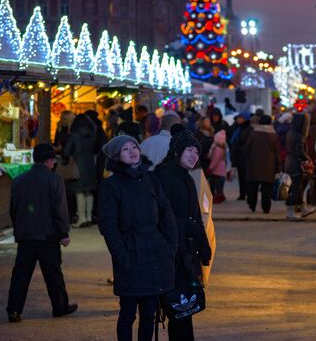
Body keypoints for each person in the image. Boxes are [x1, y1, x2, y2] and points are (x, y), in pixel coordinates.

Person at [97, 135, 178, 341]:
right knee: (128, 313)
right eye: (125, 149)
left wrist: (170, 246)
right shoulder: (111, 185)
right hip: (130, 253)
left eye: (134, 146)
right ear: (116, 156)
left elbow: (165, 211)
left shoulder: (151, 179)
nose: (132, 151)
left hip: (155, 251)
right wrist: (121, 255)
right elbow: (108, 225)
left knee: (149, 313)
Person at [6, 144, 77, 323]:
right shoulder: (55, 180)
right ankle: (60, 306)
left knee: (21, 274)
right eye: (53, 160)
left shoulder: (19, 180)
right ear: (49, 161)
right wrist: (64, 233)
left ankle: (14, 309)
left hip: (26, 236)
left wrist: (19, 228)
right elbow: (60, 209)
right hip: (48, 235)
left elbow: (13, 209)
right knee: (53, 273)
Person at [155, 125, 212, 341]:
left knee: (186, 305)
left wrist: (203, 245)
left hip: (186, 252)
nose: (194, 156)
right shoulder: (163, 176)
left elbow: (195, 216)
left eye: (197, 152)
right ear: (177, 150)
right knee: (177, 306)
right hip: (170, 252)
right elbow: (161, 216)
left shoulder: (187, 177)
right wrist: (189, 229)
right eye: (190, 150)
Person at [64, 114, 98, 228]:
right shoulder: (93, 134)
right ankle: (88, 217)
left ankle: (81, 218)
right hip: (90, 164)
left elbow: (66, 152)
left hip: (78, 166)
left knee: (79, 191)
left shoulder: (73, 135)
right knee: (89, 191)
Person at [244, 115, 281, 213]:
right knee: (267, 189)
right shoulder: (273, 135)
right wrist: (279, 166)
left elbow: (246, 148)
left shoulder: (253, 133)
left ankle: (252, 205)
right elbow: (277, 152)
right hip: (269, 166)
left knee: (253, 187)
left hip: (253, 165)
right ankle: (266, 207)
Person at [285, 113, 316, 219]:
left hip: (289, 162)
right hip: (296, 164)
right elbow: (300, 152)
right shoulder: (299, 136)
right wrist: (308, 159)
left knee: (297, 187)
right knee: (296, 188)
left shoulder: (290, 132)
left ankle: (302, 208)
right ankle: (291, 211)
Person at [53, 111, 77, 222]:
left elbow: (69, 147)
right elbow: (57, 143)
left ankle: (70, 214)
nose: (62, 120)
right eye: (61, 118)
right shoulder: (60, 129)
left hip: (69, 162)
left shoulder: (72, 132)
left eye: (64, 119)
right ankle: (66, 214)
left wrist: (61, 149)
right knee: (63, 189)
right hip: (61, 160)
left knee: (69, 189)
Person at [230, 111, 253, 200]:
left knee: (246, 176)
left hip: (245, 156)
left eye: (240, 118)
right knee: (241, 176)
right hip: (239, 156)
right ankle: (242, 194)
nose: (238, 120)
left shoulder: (248, 129)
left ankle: (247, 193)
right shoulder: (238, 128)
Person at [208, 129, 228, 204]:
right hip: (221, 170)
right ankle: (220, 195)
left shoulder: (217, 149)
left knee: (215, 184)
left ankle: (218, 196)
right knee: (219, 184)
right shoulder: (223, 148)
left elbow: (215, 160)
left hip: (216, 170)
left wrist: (210, 168)